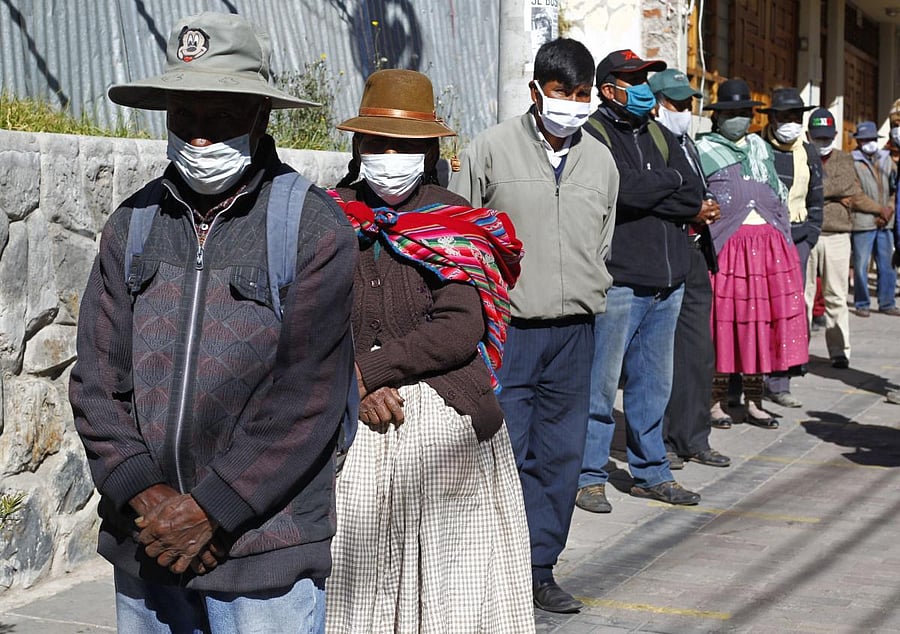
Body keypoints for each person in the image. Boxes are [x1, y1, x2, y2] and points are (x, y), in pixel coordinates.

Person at [68, 12, 357, 633]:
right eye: (184, 118)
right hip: (145, 541)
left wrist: (214, 508)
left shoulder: (312, 228)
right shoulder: (133, 224)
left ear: (260, 115)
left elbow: (308, 399)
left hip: (263, 551)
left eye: (220, 116)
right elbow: (96, 379)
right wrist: (144, 492)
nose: (198, 138)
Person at [324, 69, 534, 633]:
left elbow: (459, 328)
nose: (390, 155)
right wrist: (353, 385)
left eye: (405, 146)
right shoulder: (326, 218)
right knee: (354, 574)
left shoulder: (453, 223)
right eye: (377, 143)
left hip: (445, 423)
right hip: (353, 416)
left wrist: (368, 370)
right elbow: (305, 316)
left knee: (449, 591)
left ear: (429, 151)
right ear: (358, 146)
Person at [451, 38, 619, 614]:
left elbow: (603, 240)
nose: (571, 104)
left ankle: (540, 568)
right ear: (536, 92)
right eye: (560, 92)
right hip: (508, 332)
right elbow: (461, 241)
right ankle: (489, 564)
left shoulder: (599, 158)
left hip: (576, 333)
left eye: (580, 94)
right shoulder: (490, 150)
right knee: (500, 449)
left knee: (560, 453)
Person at [575, 49, 703, 514]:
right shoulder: (592, 135)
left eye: (645, 77)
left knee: (653, 386)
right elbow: (618, 193)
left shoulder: (660, 134)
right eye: (633, 78)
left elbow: (693, 194)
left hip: (670, 281)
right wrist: (666, 188)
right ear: (609, 89)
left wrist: (660, 187)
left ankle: (651, 473)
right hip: (621, 281)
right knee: (600, 387)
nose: (644, 86)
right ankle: (588, 475)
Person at [695, 78, 808, 429]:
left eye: (745, 112)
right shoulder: (703, 150)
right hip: (729, 250)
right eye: (732, 113)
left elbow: (776, 191)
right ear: (718, 118)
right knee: (725, 325)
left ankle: (755, 400)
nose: (740, 119)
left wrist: (785, 239)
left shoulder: (760, 147)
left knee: (762, 323)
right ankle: (716, 402)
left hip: (769, 249)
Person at [648, 68, 731, 469]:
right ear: (658, 103)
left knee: (698, 351)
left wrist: (708, 203)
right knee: (658, 356)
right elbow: (652, 195)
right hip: (662, 251)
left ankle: (695, 435)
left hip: (696, 251)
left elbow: (696, 187)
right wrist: (692, 208)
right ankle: (659, 440)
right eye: (676, 104)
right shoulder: (649, 139)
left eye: (688, 104)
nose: (684, 110)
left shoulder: (686, 142)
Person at [757, 87, 823, 408]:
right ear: (773, 118)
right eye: (785, 117)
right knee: (759, 308)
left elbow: (816, 199)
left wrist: (810, 236)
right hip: (762, 240)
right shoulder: (757, 147)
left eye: (796, 117)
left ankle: (780, 381)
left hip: (797, 240)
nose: (791, 123)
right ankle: (753, 378)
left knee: (789, 312)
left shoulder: (808, 153)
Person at [804, 108, 883, 370]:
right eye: (818, 138)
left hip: (837, 235)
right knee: (803, 296)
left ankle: (839, 350)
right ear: (809, 135)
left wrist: (820, 192)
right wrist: (833, 194)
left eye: (827, 139)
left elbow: (847, 188)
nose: (822, 144)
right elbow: (802, 188)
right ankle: (798, 351)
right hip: (807, 234)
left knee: (836, 296)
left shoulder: (844, 160)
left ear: (835, 136)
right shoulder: (801, 156)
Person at [849, 120, 898, 317]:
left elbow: (895, 189)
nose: (869, 142)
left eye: (872, 139)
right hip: (863, 221)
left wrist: (890, 209)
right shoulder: (852, 162)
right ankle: (862, 303)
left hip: (886, 222)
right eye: (865, 139)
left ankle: (887, 302)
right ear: (859, 142)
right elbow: (856, 195)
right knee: (861, 265)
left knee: (887, 264)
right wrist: (880, 210)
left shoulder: (887, 160)